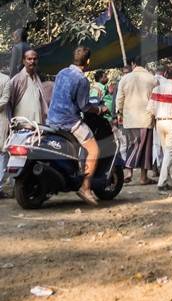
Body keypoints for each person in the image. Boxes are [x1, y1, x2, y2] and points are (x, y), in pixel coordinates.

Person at [47, 47, 102, 205]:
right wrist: (99, 109)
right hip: (69, 121)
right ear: (88, 61)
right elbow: (84, 106)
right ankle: (85, 188)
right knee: (94, 150)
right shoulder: (82, 79)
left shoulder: (62, 72)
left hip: (52, 118)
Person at [115, 56, 157, 185]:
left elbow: (119, 99)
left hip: (129, 118)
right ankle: (143, 177)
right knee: (145, 148)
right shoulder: (152, 79)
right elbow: (155, 99)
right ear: (145, 64)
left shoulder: (125, 78)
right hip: (146, 118)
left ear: (133, 64)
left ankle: (129, 172)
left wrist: (119, 113)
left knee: (132, 145)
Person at [147, 67, 172, 191]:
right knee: (170, 152)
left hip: (159, 123)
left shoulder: (156, 89)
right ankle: (162, 181)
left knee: (168, 152)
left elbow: (150, 109)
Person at [9, 50, 48, 123]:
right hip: (22, 125)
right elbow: (9, 103)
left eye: (35, 59)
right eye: (29, 59)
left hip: (37, 125)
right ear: (24, 61)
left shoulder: (37, 79)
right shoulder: (17, 80)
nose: (32, 61)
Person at [0, 70, 11, 199]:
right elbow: (4, 100)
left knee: (2, 152)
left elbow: (5, 100)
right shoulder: (5, 79)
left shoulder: (5, 79)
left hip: (2, 120)